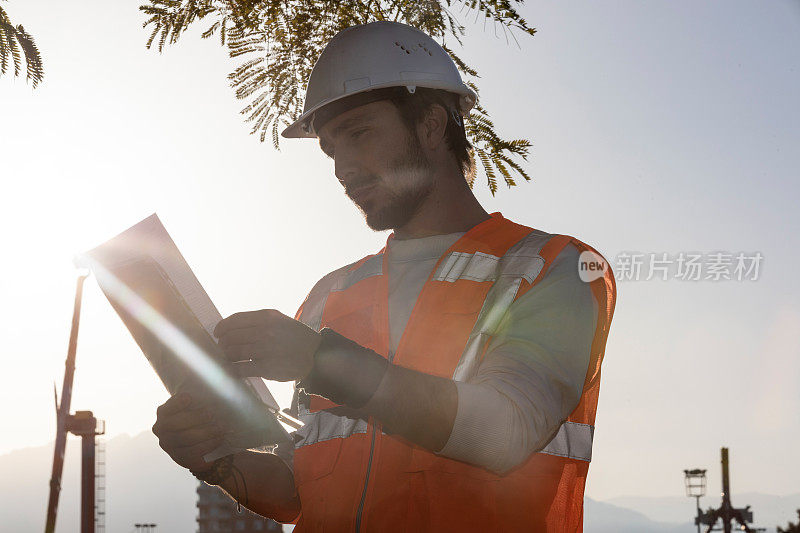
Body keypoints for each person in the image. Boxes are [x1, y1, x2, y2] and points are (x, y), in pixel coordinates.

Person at [152, 21, 616, 532]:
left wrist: (319, 359)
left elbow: (501, 432)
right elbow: (296, 490)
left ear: (432, 126)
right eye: (330, 148)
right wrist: (214, 460)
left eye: (359, 133)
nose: (341, 168)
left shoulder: (553, 268)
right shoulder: (332, 295)